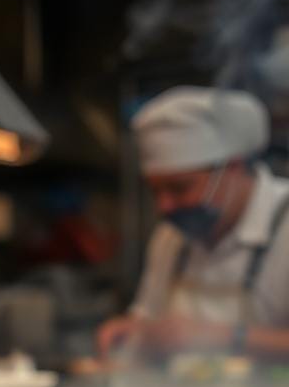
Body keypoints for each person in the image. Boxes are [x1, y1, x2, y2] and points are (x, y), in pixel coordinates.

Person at [97, 86, 289, 361]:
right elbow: (146, 320)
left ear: (231, 168)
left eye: (179, 188)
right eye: (156, 191)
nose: (164, 206)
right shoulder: (171, 237)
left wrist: (223, 337)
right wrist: (130, 331)